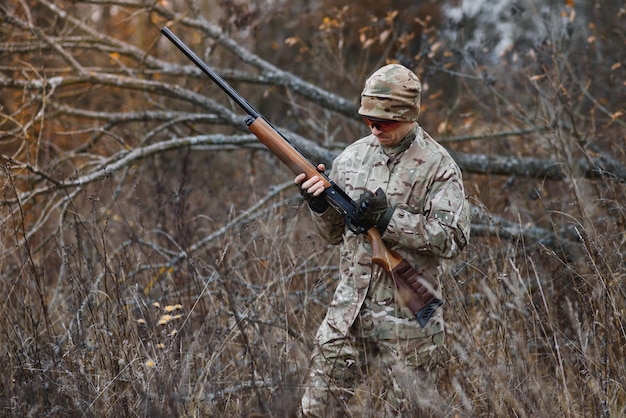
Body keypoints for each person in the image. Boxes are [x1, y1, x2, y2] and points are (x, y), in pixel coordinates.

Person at [295, 63, 470, 417]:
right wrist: (318, 204)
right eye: (368, 120)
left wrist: (389, 220)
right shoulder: (352, 157)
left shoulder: (438, 166)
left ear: (409, 115)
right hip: (349, 313)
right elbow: (332, 235)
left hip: (408, 318)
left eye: (384, 122)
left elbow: (453, 238)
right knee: (315, 410)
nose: (375, 129)